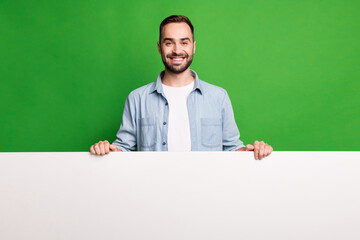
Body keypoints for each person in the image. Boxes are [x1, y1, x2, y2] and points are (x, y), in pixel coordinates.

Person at [90, 15, 273, 160]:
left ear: (194, 47)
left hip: (206, 193)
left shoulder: (218, 97)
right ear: (159, 48)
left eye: (184, 42)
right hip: (152, 194)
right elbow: (124, 149)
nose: (177, 50)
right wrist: (108, 149)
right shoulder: (137, 98)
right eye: (169, 42)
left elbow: (232, 149)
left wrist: (254, 151)